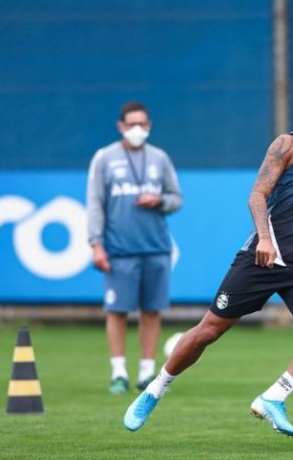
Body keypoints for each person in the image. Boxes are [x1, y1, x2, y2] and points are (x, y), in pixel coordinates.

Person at [123, 88, 293, 436]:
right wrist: (264, 238)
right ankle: (156, 389)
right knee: (208, 332)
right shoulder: (287, 145)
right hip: (263, 259)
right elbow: (258, 194)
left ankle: (274, 397)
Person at [87, 101, 182, 395]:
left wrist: (159, 201)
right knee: (117, 311)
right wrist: (96, 245)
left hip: (155, 248)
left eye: (142, 124)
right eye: (131, 124)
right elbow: (95, 204)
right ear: (121, 127)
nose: (137, 129)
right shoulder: (104, 158)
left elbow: (176, 199)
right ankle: (118, 372)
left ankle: (146, 372)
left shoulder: (160, 158)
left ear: (149, 125)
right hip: (119, 250)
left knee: (152, 311)